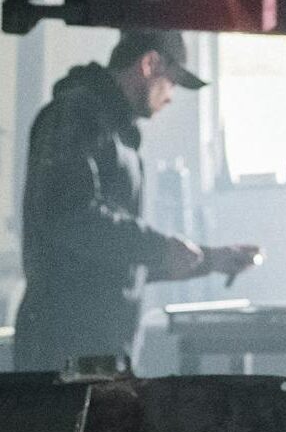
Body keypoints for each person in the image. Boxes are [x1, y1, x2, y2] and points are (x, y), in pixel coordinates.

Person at [12, 30, 260, 373]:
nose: (170, 97)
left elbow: (113, 257)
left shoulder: (112, 134)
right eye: (171, 81)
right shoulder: (79, 116)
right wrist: (161, 248)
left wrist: (209, 259)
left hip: (97, 346)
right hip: (67, 343)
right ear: (149, 64)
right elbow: (74, 220)